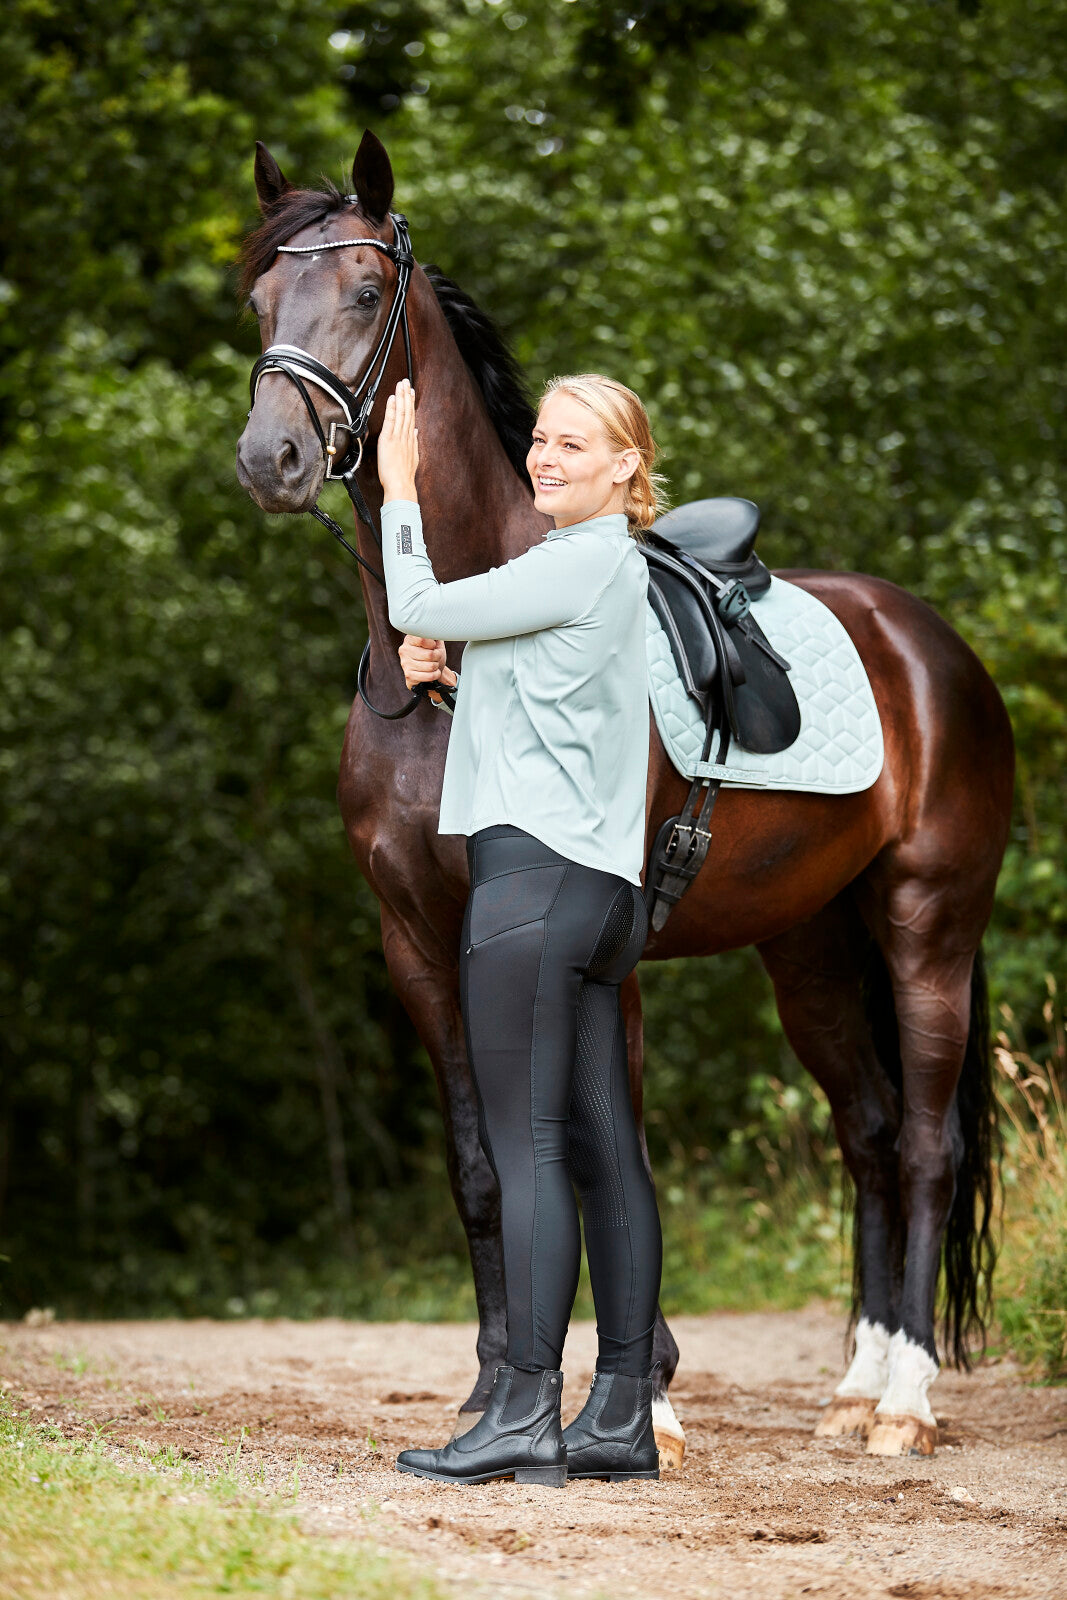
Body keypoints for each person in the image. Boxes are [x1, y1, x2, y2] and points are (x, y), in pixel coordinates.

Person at [377, 372, 664, 1487]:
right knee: (601, 1149)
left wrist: (400, 491)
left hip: (530, 890)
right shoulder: (605, 570)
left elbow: (417, 596)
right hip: (595, 890)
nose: (544, 456)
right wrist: (452, 679)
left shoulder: (571, 559)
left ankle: (522, 1410)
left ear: (625, 466)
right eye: (540, 438)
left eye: (572, 444)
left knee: (524, 1143)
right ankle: (620, 1414)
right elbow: (546, 712)